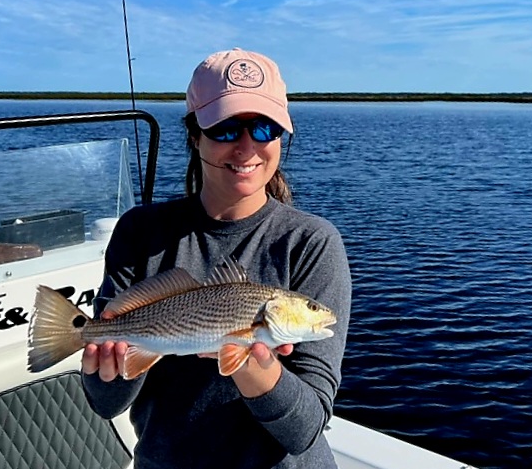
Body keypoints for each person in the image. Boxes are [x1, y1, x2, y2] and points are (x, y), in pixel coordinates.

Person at [81, 48, 352, 469]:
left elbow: (304, 430)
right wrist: (107, 366)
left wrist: (247, 360)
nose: (247, 148)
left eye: (265, 129)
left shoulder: (311, 242)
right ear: (195, 135)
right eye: (225, 129)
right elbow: (105, 403)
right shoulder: (140, 231)